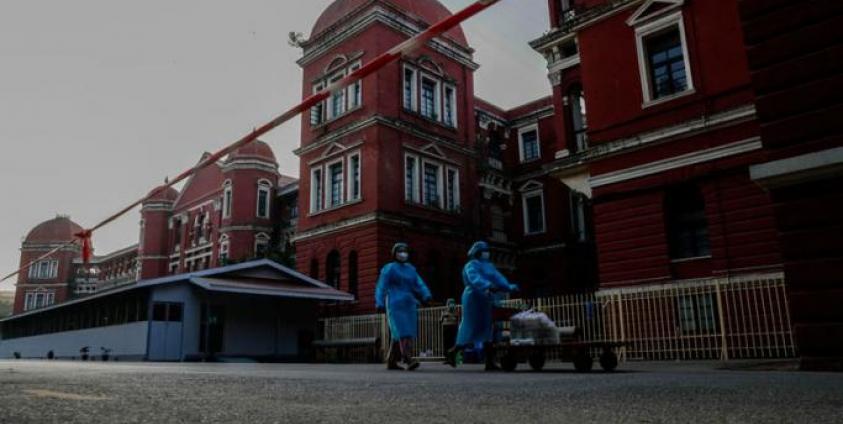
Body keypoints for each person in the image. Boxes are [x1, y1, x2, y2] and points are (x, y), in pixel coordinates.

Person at [445, 241, 519, 371]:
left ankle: (490, 362)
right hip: (473, 298)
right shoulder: (471, 265)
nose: (486, 253)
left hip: (487, 299)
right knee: (471, 328)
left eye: (487, 250)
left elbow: (498, 278)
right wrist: (488, 285)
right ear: (477, 252)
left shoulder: (489, 266)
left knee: (488, 330)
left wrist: (507, 286)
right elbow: (474, 278)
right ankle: (454, 351)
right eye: (484, 250)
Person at [375, 243, 433, 371]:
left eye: (405, 251)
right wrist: (379, 302)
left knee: (403, 333)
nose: (403, 253)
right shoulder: (389, 268)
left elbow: (419, 283)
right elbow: (381, 286)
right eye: (400, 251)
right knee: (402, 332)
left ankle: (391, 361)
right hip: (395, 303)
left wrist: (426, 295)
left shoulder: (411, 269)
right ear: (394, 253)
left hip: (409, 304)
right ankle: (408, 358)